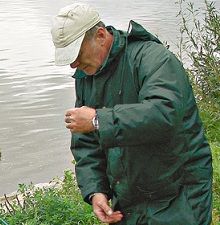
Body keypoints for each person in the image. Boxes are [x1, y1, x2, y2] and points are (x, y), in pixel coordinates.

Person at [51, 3, 213, 225]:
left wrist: (98, 120)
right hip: (128, 202)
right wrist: (96, 191)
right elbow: (86, 143)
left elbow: (164, 114)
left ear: (100, 35)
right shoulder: (87, 75)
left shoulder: (154, 58)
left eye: (77, 53)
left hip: (178, 196)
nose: (73, 64)